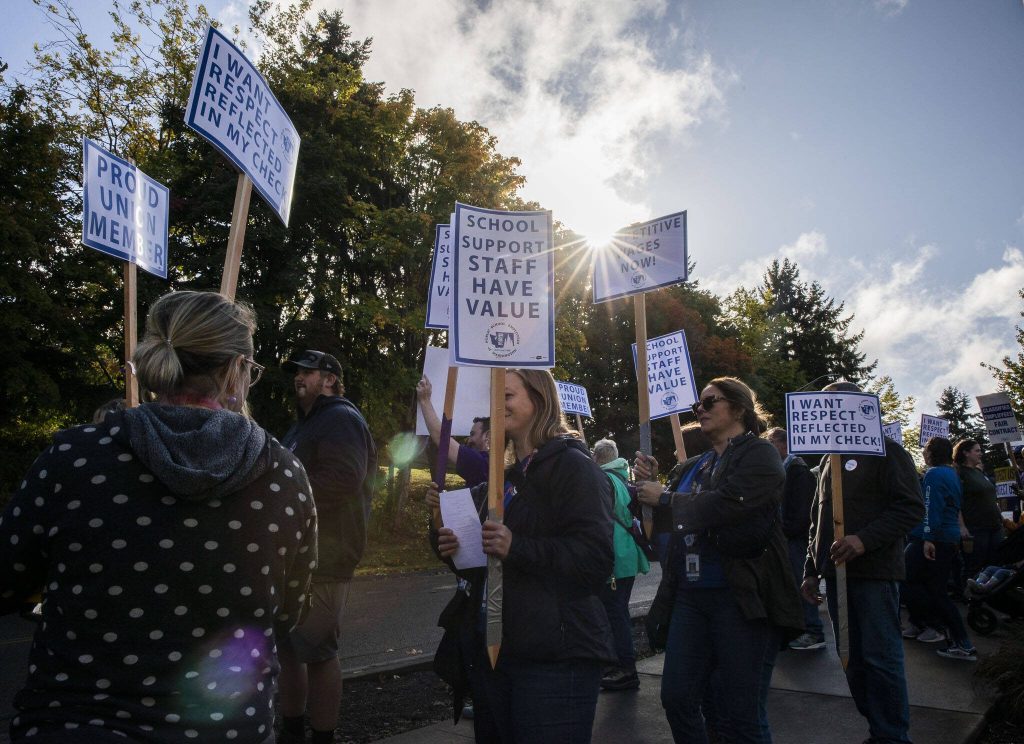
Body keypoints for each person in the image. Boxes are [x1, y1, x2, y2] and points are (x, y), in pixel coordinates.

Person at [0, 290, 317, 743]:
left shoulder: (75, 459)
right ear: (235, 371)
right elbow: (288, 613)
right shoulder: (284, 475)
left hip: (75, 725)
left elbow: (7, 579)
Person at [427, 369, 616, 743]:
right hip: (498, 652)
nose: (498, 407)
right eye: (495, 399)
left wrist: (518, 547)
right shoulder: (507, 478)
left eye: (508, 396)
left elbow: (595, 559)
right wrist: (445, 542)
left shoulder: (574, 468)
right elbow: (484, 558)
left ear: (539, 398)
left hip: (556, 660)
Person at [640, 377, 803, 744]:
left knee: (739, 712)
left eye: (709, 402)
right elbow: (664, 523)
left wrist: (665, 499)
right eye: (698, 404)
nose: (699, 409)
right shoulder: (691, 466)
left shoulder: (759, 454)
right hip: (691, 598)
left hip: (739, 597)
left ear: (739, 408)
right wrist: (647, 490)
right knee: (677, 697)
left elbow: (731, 503)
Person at [801, 380, 924, 744]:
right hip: (837, 577)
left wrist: (863, 540)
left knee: (879, 657)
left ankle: (892, 736)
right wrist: (811, 569)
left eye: (836, 405)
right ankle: (878, 727)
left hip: (875, 574)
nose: (828, 414)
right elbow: (818, 521)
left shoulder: (887, 452)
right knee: (850, 658)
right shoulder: (827, 460)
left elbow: (912, 507)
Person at [277, 350, 377, 744]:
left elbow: (342, 479)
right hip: (297, 554)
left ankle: (322, 736)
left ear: (331, 379)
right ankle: (290, 730)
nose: (299, 377)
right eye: (297, 372)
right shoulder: (305, 425)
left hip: (328, 554)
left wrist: (282, 496)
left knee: (316, 649)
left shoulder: (340, 418)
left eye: (309, 371)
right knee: (289, 648)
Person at [902, 437, 977, 660]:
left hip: (933, 538)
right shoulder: (951, 474)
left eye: (925, 449)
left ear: (932, 452)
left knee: (908, 580)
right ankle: (934, 628)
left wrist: (927, 537)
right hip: (946, 537)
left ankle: (948, 633)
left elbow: (931, 508)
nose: (923, 453)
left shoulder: (934, 475)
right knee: (933, 588)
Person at [592, 437, 650, 691]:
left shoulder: (602, 480)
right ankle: (622, 668)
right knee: (617, 613)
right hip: (625, 552)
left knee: (614, 615)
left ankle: (624, 670)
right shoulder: (620, 478)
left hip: (613, 555)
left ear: (596, 457)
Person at [766, 427, 825, 651]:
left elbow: (802, 511)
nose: (769, 446)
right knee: (787, 585)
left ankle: (813, 631)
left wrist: (786, 531)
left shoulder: (798, 471)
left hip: (794, 540)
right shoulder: (782, 470)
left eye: (772, 442)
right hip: (783, 538)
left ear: (785, 445)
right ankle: (796, 630)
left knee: (801, 584)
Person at [416, 374, 490, 487]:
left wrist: (425, 400)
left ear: (487, 437)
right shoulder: (490, 467)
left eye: (472, 434)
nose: (468, 440)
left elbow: (442, 439)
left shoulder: (481, 463)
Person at [954, 439, 1003, 579]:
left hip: (995, 526)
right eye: (977, 450)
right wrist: (962, 526)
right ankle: (970, 596)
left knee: (995, 563)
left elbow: (991, 498)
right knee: (974, 565)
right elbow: (956, 501)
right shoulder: (959, 473)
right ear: (966, 453)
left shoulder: (979, 473)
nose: (980, 453)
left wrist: (1002, 519)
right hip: (976, 528)